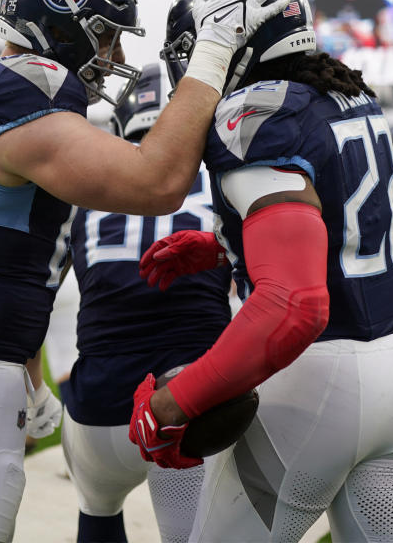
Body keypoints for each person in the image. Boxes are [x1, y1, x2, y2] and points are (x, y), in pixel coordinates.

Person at [0, 0, 289, 543]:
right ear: (60, 25)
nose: (113, 57)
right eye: (105, 37)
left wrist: (30, 378)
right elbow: (158, 181)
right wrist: (213, 54)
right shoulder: (24, 102)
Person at [135, 0, 393, 542]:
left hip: (314, 383)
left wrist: (174, 404)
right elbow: (334, 224)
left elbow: (294, 303)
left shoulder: (255, 114)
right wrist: (225, 243)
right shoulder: (345, 94)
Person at [61, 63, 232, 543]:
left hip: (98, 403)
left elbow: (47, 286)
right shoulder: (220, 184)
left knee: (96, 512)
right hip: (186, 402)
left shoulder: (85, 191)